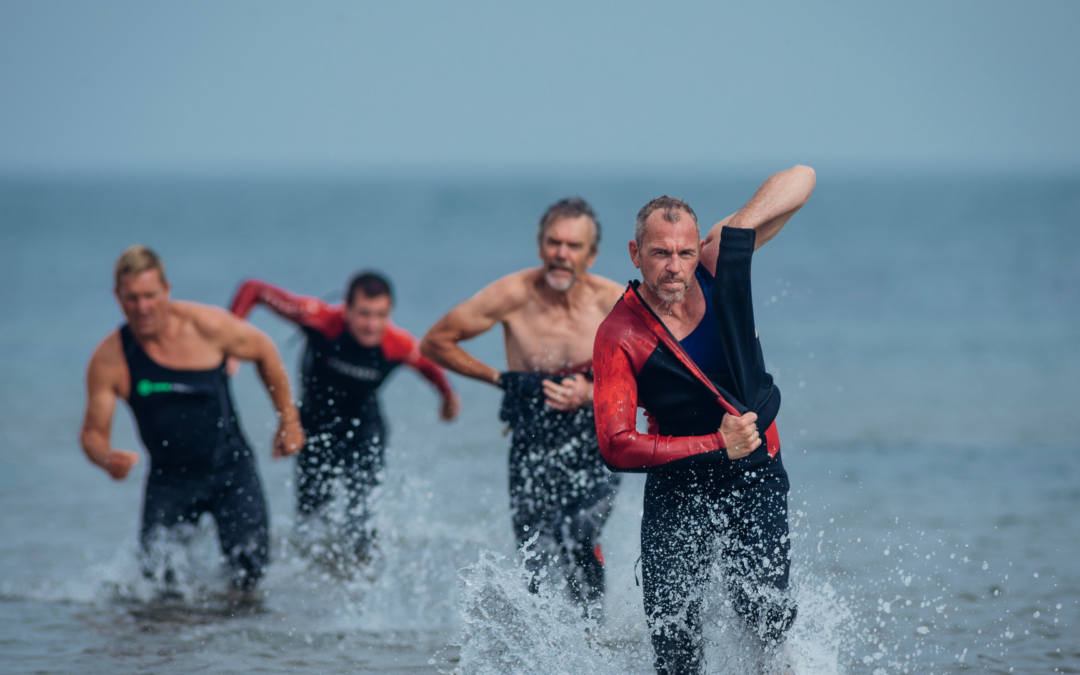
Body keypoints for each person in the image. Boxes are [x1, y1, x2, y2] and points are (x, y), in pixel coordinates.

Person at [592, 166, 816, 674]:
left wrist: (736, 233)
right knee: (673, 642)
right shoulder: (619, 334)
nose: (674, 267)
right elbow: (617, 445)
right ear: (635, 254)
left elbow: (803, 178)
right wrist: (715, 443)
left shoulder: (719, 268)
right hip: (677, 477)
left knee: (767, 615)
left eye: (685, 252)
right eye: (660, 253)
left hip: (754, 467)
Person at [420, 197, 623, 613]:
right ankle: (544, 651)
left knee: (581, 533)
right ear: (540, 245)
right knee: (537, 555)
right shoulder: (514, 294)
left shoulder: (614, 303)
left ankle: (592, 639)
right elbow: (436, 341)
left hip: (595, 439)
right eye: (553, 243)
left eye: (573, 245)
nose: (561, 254)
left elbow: (655, 365)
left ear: (592, 254)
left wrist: (591, 391)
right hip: (531, 439)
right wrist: (501, 380)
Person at [79, 245, 305, 591]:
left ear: (166, 290)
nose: (142, 307)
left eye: (150, 295)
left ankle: (234, 642)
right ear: (118, 297)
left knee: (249, 577)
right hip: (169, 481)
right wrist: (107, 459)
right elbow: (92, 434)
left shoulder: (207, 327)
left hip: (231, 470)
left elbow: (265, 351)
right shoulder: (111, 358)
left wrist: (288, 421)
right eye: (131, 298)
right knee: (158, 587)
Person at [229, 271, 459, 563]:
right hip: (313, 427)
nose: (372, 324)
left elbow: (429, 365)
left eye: (380, 315)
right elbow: (254, 290)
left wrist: (448, 398)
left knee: (361, 515)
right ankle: (313, 583)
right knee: (311, 516)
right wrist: (232, 340)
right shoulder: (320, 318)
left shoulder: (396, 344)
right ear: (347, 308)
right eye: (364, 314)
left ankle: (359, 574)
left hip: (365, 430)